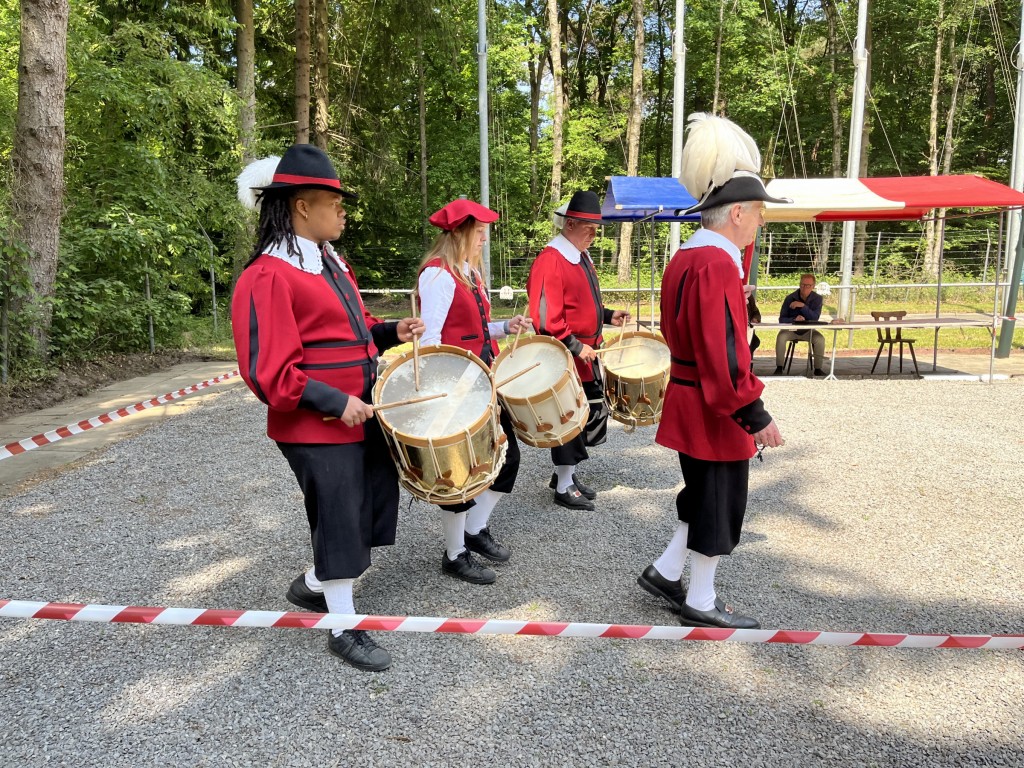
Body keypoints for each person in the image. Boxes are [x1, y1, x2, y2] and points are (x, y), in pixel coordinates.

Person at [231, 144, 424, 672]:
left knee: (368, 509)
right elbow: (267, 371)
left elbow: (352, 331)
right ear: (300, 206)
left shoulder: (331, 262)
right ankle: (343, 626)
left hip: (360, 412)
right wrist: (335, 402)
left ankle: (316, 583)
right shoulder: (268, 275)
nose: (343, 210)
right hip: (314, 424)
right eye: (334, 201)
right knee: (339, 518)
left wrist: (390, 332)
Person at [637, 114, 787, 629]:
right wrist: (754, 412)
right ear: (738, 212)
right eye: (759, 212)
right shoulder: (719, 264)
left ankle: (666, 571)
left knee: (701, 495)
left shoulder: (685, 257)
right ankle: (700, 600)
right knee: (720, 503)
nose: (761, 221)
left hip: (688, 393)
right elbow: (723, 355)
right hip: (713, 402)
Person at [416, 198, 531, 585]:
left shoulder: (470, 273)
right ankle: (454, 553)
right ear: (461, 233)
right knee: (461, 473)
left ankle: (473, 529)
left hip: (483, 381)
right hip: (457, 389)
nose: (484, 239)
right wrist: (444, 395)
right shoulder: (438, 276)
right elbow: (431, 342)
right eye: (479, 232)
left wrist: (503, 327)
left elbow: (474, 328)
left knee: (505, 458)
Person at [526, 191, 630, 511]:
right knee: (568, 422)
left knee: (582, 419)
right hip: (566, 356)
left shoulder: (580, 254)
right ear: (570, 224)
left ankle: (564, 477)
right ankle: (564, 486)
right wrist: (575, 346)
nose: (594, 236)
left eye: (596, 229)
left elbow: (585, 303)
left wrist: (609, 316)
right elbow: (545, 318)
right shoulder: (551, 259)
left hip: (584, 353)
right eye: (589, 229)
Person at [773, 273, 826, 376]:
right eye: (802, 285)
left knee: (820, 339)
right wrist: (794, 319)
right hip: (791, 330)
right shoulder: (790, 298)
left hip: (808, 331)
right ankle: (779, 367)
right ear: (799, 284)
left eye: (808, 285)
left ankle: (818, 368)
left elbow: (815, 317)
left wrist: (802, 306)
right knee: (781, 337)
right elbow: (782, 319)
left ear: (813, 286)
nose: (804, 287)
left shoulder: (817, 299)